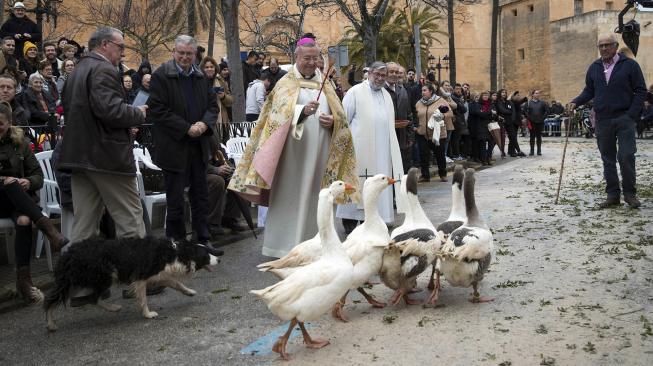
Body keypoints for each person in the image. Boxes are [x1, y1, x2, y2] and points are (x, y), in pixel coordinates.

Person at [228, 38, 358, 257]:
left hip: (320, 156)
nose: (310, 62)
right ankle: (284, 246)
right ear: (296, 57)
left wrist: (333, 122)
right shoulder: (286, 83)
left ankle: (318, 246)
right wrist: (301, 112)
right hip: (291, 158)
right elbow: (274, 118)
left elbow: (341, 118)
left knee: (318, 199)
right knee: (289, 198)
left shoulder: (325, 84)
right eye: (306, 58)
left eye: (314, 58)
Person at [58, 26, 147, 243]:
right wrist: (137, 112)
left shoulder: (77, 70)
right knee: (131, 222)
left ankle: (77, 275)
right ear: (105, 45)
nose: (123, 53)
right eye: (121, 47)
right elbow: (110, 110)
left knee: (84, 226)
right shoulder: (104, 69)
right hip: (107, 157)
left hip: (80, 158)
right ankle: (138, 276)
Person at [148, 35, 219, 248]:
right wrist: (186, 128)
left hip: (198, 146)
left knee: (201, 196)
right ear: (174, 52)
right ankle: (176, 243)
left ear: (195, 54)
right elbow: (158, 110)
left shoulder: (200, 77)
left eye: (189, 54)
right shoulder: (161, 76)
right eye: (181, 53)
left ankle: (202, 241)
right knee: (176, 199)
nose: (185, 57)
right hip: (174, 146)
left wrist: (204, 125)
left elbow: (212, 107)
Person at [568, 33, 647, 209]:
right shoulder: (594, 67)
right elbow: (589, 91)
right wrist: (575, 101)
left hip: (624, 118)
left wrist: (632, 114)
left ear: (616, 46)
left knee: (626, 156)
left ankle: (630, 194)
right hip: (603, 120)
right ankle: (613, 195)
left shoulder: (630, 65)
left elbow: (641, 90)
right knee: (608, 159)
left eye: (607, 45)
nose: (604, 48)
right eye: (601, 46)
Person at [0, 101, 67, 304]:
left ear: (9, 123)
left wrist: (28, 181)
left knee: (23, 221)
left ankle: (24, 283)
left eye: (0, 124)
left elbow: (37, 174)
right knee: (10, 184)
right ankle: (49, 230)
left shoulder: (19, 143)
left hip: (18, 202)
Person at [336, 61, 405, 233]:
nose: (380, 78)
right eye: (377, 74)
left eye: (383, 75)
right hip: (359, 150)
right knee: (357, 183)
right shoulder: (355, 92)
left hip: (382, 151)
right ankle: (350, 222)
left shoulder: (387, 95)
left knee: (379, 183)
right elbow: (343, 120)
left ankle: (376, 220)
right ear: (369, 73)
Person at [414, 83, 450, 182]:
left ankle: (443, 174)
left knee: (439, 155)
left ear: (431, 91)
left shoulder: (440, 101)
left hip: (438, 134)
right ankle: (425, 176)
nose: (423, 92)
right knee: (423, 155)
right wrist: (415, 127)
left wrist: (442, 116)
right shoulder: (419, 103)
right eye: (422, 90)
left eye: (425, 90)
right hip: (422, 133)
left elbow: (449, 112)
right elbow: (415, 116)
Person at [384, 62, 413, 172]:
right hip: (386, 138)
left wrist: (410, 137)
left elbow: (409, 115)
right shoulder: (380, 90)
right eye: (391, 72)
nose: (394, 74)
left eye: (397, 72)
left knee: (402, 170)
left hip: (402, 138)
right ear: (385, 73)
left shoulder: (402, 90)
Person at [200, 57, 232, 143]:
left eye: (211, 67)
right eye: (206, 67)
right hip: (205, 123)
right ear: (202, 69)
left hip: (222, 122)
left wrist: (223, 97)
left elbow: (230, 101)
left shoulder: (220, 81)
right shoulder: (198, 82)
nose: (209, 69)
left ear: (215, 68)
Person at [524, 89, 549, 156]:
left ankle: (539, 151)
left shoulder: (542, 103)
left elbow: (547, 111)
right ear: (532, 95)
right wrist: (529, 118)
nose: (537, 94)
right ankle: (532, 151)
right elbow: (525, 111)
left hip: (540, 122)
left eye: (538, 93)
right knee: (532, 137)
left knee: (539, 137)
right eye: (536, 93)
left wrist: (542, 118)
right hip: (532, 122)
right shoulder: (528, 103)